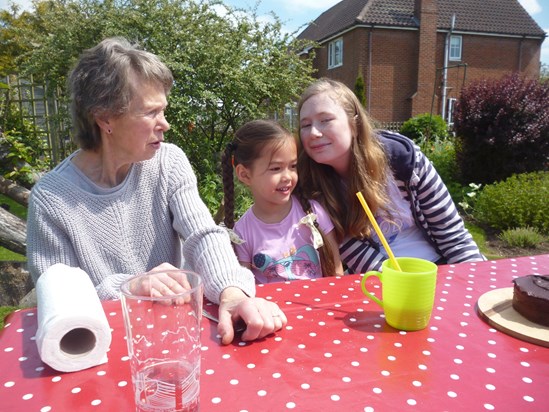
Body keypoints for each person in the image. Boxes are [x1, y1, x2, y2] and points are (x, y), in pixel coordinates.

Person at [26, 37, 286, 345]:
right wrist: (131, 287)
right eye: (151, 112)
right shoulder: (51, 199)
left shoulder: (168, 161)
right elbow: (60, 299)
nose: (165, 124)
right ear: (105, 118)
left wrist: (232, 292)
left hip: (174, 338)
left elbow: (202, 234)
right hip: (101, 348)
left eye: (163, 111)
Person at [297, 78, 485, 273]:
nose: (313, 133)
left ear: (354, 124)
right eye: (305, 125)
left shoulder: (403, 159)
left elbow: (453, 237)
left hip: (439, 268)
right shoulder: (310, 185)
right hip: (381, 278)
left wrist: (471, 278)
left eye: (325, 120)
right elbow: (354, 252)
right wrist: (398, 282)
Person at [221, 119, 343, 283]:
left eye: (293, 166)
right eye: (276, 168)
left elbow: (336, 271)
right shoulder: (242, 232)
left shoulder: (313, 213)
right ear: (244, 174)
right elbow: (244, 287)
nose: (287, 176)